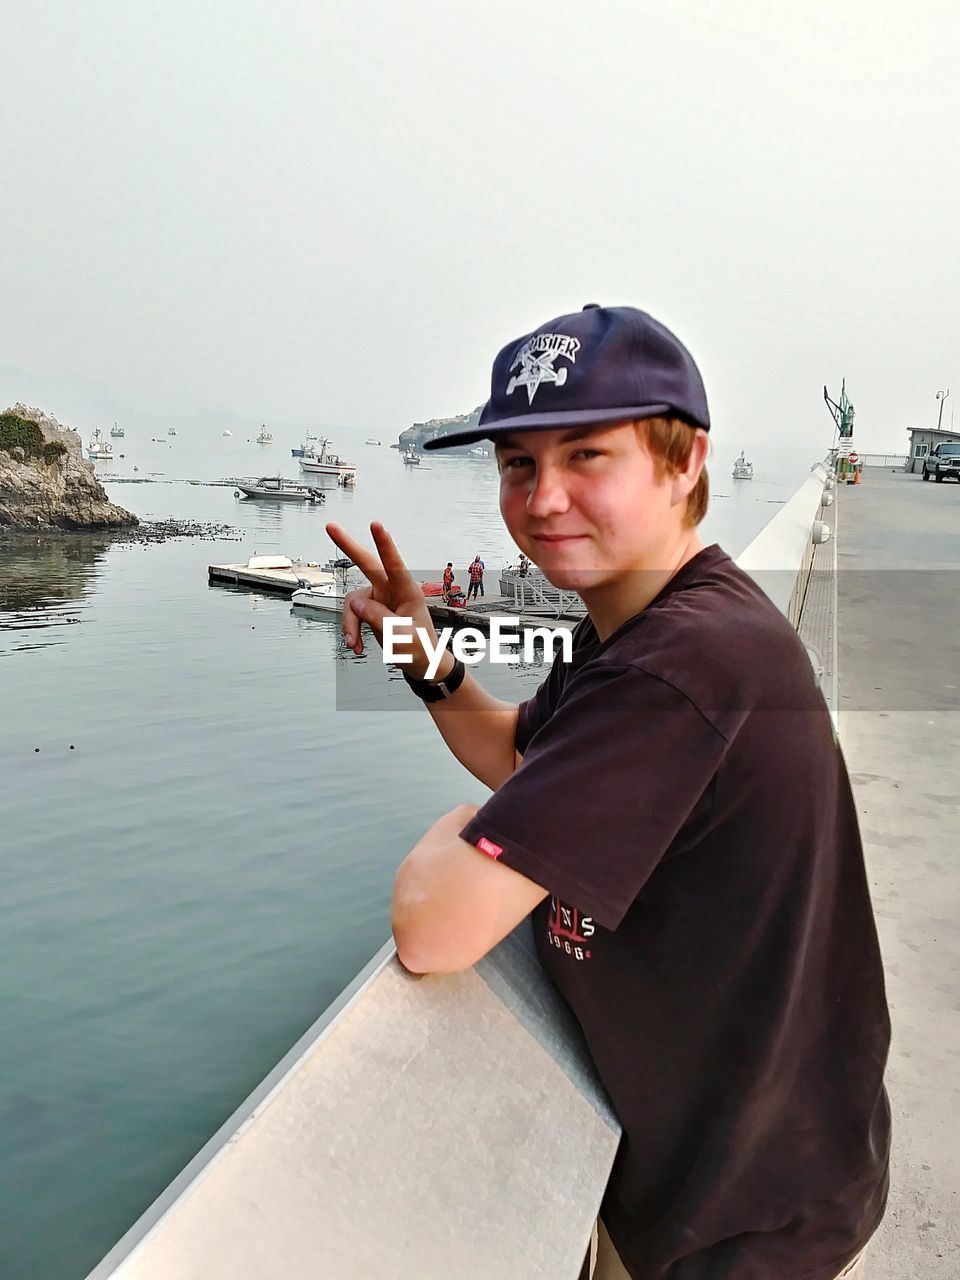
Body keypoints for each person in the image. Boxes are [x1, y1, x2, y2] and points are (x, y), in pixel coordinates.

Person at [326, 304, 890, 1280]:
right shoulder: (648, 620)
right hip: (750, 1155)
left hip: (731, 1218)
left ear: (683, 462)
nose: (544, 498)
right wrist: (423, 650)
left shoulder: (683, 661)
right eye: (517, 464)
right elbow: (521, 752)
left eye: (587, 455)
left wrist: (470, 831)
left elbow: (438, 926)